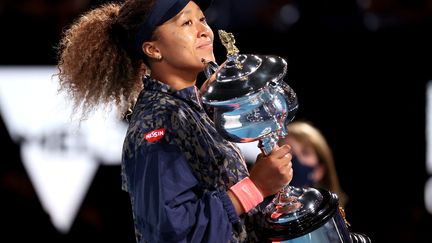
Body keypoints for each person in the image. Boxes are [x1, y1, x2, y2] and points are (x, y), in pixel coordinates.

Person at [56, 0, 293, 242]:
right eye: (187, 23)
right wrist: (255, 187)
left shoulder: (190, 109)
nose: (203, 30)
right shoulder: (158, 121)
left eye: (202, 19)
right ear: (153, 50)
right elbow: (173, 234)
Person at [278, 120, 348, 207]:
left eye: (305, 153)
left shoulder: (334, 216)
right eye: (288, 152)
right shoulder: (260, 211)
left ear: (320, 171)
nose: (295, 158)